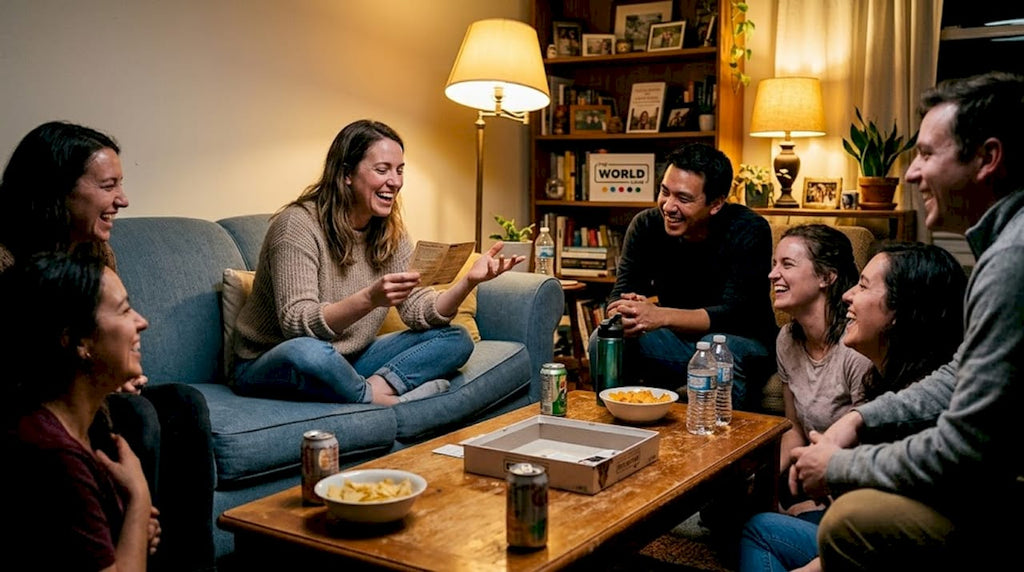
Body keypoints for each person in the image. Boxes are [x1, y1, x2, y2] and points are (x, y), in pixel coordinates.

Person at [789, 71, 1024, 570]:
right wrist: (858, 418)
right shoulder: (1005, 248)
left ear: (988, 158)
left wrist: (840, 466)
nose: (912, 174)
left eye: (925, 154)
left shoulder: (1013, 260)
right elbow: (957, 375)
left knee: (851, 519)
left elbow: (965, 450)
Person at [0, 121, 215, 571]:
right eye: (109, 185)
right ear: (59, 190)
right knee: (137, 418)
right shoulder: (7, 262)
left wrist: (124, 373)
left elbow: (113, 331)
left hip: (90, 392)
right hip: (34, 403)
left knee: (184, 404)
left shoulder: (99, 254)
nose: (123, 199)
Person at [232, 119, 521, 405]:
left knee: (456, 338)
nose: (394, 182)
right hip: (272, 361)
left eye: (399, 170)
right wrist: (370, 298)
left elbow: (417, 311)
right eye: (382, 170)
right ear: (347, 173)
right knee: (309, 352)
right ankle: (378, 398)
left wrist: (468, 281)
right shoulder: (297, 225)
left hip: (349, 360)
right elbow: (297, 325)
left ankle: (369, 387)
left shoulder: (388, 230)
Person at [740, 242, 968, 572]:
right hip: (862, 524)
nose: (847, 295)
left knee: (763, 533)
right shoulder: (884, 379)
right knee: (759, 524)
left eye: (863, 286)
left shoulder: (927, 412)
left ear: (899, 311)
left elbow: (888, 531)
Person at [1, 250, 159, 570]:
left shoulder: (82, 431)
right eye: (125, 310)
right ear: (78, 341)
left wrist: (129, 532)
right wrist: (139, 499)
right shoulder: (52, 454)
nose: (142, 322)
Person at [591, 142, 777, 409]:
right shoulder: (646, 225)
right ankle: (621, 432)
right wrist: (626, 312)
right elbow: (618, 295)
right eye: (664, 192)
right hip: (676, 342)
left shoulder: (749, 229)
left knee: (714, 347)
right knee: (606, 338)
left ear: (715, 204)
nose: (668, 206)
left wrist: (659, 315)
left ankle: (720, 446)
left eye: (683, 198)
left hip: (742, 343)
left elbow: (733, 314)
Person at [768, 225, 873, 505]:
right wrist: (761, 475)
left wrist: (821, 502)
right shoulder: (786, 340)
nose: (773, 274)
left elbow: (869, 446)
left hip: (851, 482)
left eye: (787, 264)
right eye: (774, 264)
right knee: (728, 506)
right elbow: (794, 429)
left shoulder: (855, 347)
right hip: (809, 465)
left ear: (826, 277)